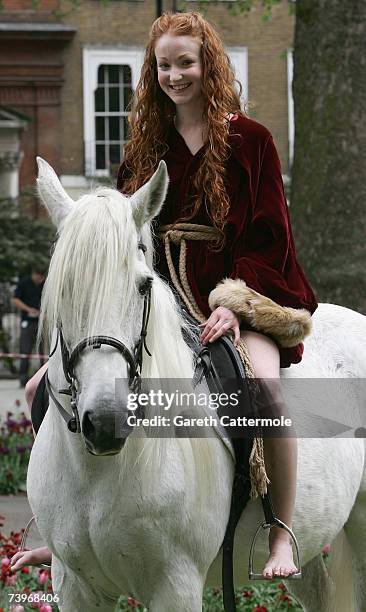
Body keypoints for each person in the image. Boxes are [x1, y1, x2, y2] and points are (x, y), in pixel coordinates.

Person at [22, 11, 318, 579]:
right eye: (164, 64)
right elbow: (125, 241)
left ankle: (280, 532)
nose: (175, 74)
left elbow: (269, 236)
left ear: (209, 64)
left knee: (264, 390)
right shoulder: (143, 150)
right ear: (152, 71)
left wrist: (233, 304)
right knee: (45, 384)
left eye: (187, 62)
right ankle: (63, 530)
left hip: (241, 295)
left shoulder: (251, 139)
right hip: (160, 298)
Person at [12, 266, 46, 387]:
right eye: (38, 277)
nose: (40, 280)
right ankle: (23, 377)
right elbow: (15, 299)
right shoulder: (24, 283)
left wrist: (44, 314)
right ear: (33, 274)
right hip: (27, 320)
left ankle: (44, 377)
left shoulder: (45, 284)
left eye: (42, 278)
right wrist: (28, 309)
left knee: (44, 350)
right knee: (25, 349)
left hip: (42, 321)